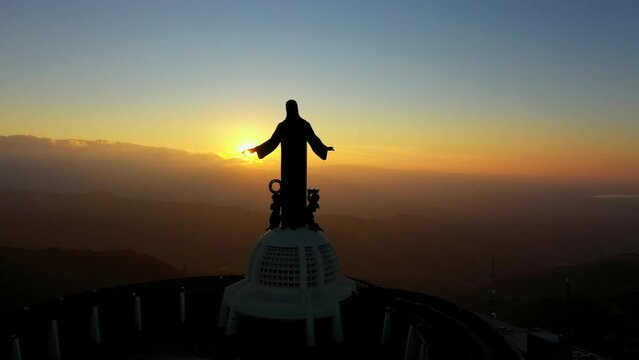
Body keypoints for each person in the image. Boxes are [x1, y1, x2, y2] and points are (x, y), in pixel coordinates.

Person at [247, 100, 333, 228]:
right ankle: (290, 218)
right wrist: (256, 149)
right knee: (293, 187)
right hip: (297, 164)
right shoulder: (301, 125)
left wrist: (324, 148)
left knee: (294, 188)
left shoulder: (286, 126)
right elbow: (273, 142)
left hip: (291, 164)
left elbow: (273, 142)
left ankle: (294, 218)